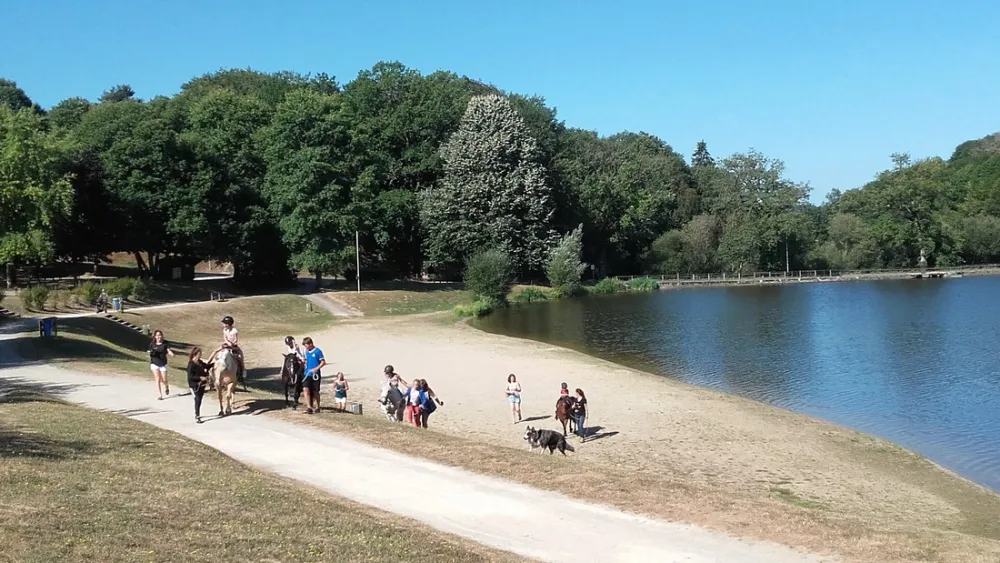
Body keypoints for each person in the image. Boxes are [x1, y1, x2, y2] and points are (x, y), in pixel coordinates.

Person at [147, 330, 175, 400]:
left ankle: (166, 386)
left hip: (163, 363)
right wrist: (150, 353)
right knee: (157, 378)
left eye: (160, 335)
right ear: (155, 336)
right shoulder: (152, 344)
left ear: (162, 336)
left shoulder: (165, 343)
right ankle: (159, 395)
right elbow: (150, 352)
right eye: (157, 335)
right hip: (154, 363)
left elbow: (168, 350)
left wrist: (171, 353)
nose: (158, 336)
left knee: (164, 380)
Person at [186, 347, 211, 423]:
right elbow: (190, 377)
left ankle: (197, 412)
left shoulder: (200, 362)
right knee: (198, 399)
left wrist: (216, 363)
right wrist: (200, 377)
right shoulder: (191, 364)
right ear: (195, 354)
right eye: (199, 354)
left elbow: (207, 366)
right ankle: (197, 415)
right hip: (194, 385)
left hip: (202, 385)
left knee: (199, 399)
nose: (200, 355)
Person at [302, 337, 325, 414]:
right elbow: (306, 361)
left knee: (315, 391)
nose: (306, 347)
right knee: (305, 389)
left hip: (315, 375)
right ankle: (309, 407)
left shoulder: (318, 351)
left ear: (310, 344)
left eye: (306, 345)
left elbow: (323, 362)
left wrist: (316, 368)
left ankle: (318, 407)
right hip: (307, 374)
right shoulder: (306, 352)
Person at [220, 316, 244, 382]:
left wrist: (232, 343)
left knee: (240, 357)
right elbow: (225, 338)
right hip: (226, 345)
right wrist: (228, 342)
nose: (224, 325)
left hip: (233, 346)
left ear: (228, 324)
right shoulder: (224, 330)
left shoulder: (234, 331)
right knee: (217, 352)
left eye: (225, 323)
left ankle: (242, 371)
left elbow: (236, 340)